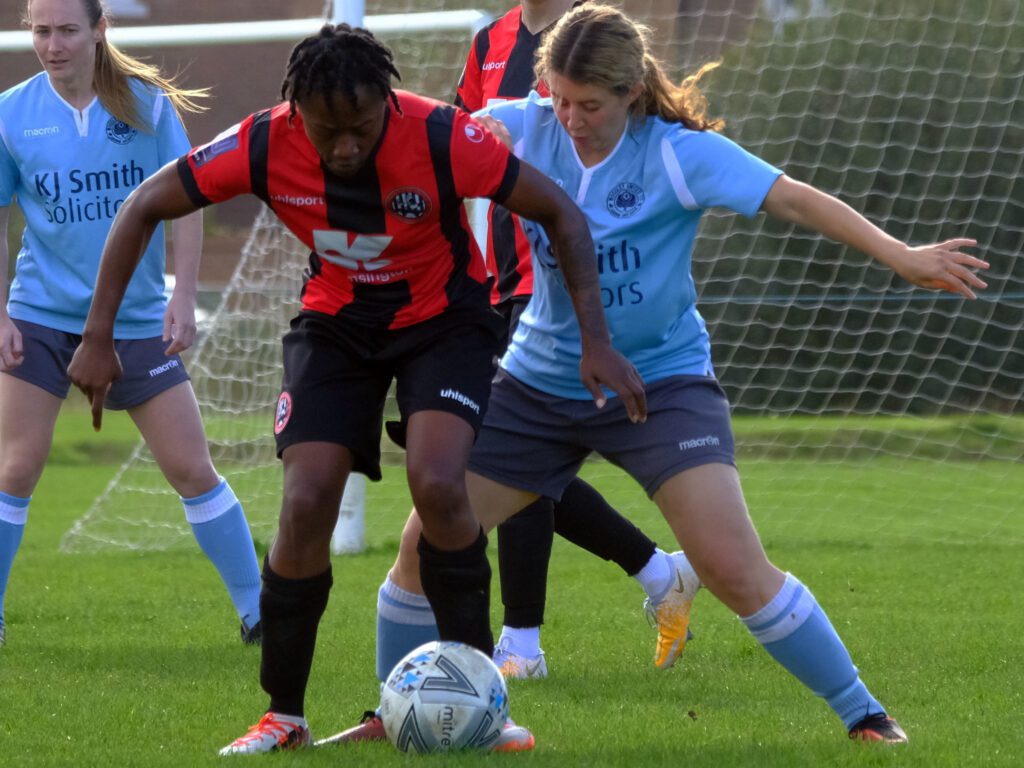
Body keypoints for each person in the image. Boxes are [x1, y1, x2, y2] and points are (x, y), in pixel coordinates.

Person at [335, 3, 991, 745]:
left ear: (631, 94)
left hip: (663, 388)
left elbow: (796, 199)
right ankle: (390, 719)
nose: (571, 118)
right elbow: (434, 130)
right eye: (559, 98)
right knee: (424, 550)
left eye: (590, 105)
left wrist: (903, 255)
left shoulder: (679, 153)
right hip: (535, 386)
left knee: (734, 568)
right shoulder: (525, 124)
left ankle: (864, 715)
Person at [67, 22, 644, 755]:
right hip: (336, 325)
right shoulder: (261, 142)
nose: (343, 147)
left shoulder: (443, 137)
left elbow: (559, 210)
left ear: (388, 106)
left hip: (444, 321)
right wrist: (97, 335)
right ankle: (283, 714)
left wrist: (595, 338)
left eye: (361, 129)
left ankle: (482, 709)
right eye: (325, 131)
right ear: (296, 111)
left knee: (439, 484)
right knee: (306, 499)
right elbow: (144, 205)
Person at [361, 1, 697, 717]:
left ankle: (524, 641)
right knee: (515, 465)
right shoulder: (489, 41)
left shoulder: (588, 41)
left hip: (557, 291)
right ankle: (652, 573)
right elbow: (453, 149)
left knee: (514, 464)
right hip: (498, 284)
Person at [0, 0, 263, 650]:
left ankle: (262, 612)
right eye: (40, 31)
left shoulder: (147, 105)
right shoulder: (11, 112)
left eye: (66, 30)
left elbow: (191, 200)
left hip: (138, 320)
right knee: (16, 468)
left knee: (192, 468)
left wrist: (179, 295)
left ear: (97, 30)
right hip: (39, 317)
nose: (52, 45)